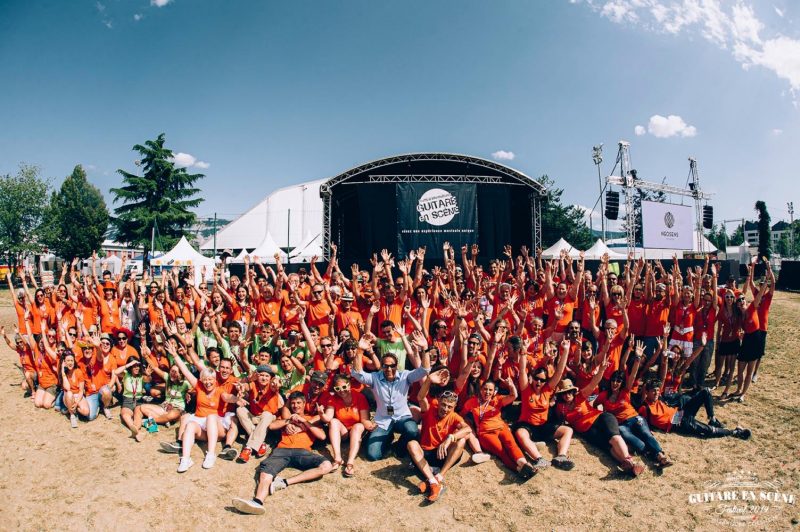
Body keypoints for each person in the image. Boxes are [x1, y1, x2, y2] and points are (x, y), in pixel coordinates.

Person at [231, 392, 333, 515]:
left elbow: (322, 436)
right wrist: (288, 421)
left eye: (299, 403)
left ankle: (284, 482)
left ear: (304, 403)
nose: (295, 406)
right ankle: (257, 502)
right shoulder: (286, 419)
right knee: (265, 473)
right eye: (293, 403)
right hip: (282, 451)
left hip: (303, 452)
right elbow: (272, 426)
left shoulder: (311, 419)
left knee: (327, 466)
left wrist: (304, 422)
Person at [555, 364, 645, 477]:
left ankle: (630, 461)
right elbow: (559, 420)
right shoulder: (560, 407)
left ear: (573, 391)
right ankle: (631, 468)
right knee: (607, 447)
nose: (567, 395)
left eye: (569, 392)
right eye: (564, 393)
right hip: (587, 431)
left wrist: (601, 370)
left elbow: (593, 384)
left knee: (614, 437)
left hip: (600, 418)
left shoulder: (580, 396)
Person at [350, 334, 430, 461]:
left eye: (392, 365)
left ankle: (398, 447)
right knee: (373, 456)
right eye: (385, 366)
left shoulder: (405, 376)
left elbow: (424, 370)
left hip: (402, 417)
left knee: (412, 430)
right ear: (381, 366)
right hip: (383, 420)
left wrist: (425, 348)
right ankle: (388, 437)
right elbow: (357, 373)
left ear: (396, 366)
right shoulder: (375, 377)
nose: (388, 369)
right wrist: (360, 350)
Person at [594, 341, 672, 468]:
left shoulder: (625, 391)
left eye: (618, 381)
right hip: (621, 424)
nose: (615, 383)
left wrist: (637, 358)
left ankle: (660, 455)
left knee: (646, 434)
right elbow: (595, 406)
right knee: (628, 436)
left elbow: (633, 375)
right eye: (613, 380)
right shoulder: (604, 395)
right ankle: (651, 454)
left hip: (634, 418)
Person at [171, 349, 245, 472]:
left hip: (217, 428)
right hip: (201, 427)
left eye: (210, 379)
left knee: (211, 417)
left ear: (215, 380)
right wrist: (175, 355)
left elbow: (227, 397)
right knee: (189, 425)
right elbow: (185, 370)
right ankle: (186, 459)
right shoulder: (199, 386)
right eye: (205, 379)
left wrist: (236, 399)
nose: (208, 382)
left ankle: (210, 454)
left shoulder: (220, 389)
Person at [408, 373, 472, 503]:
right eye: (443, 405)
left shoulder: (454, 417)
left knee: (462, 440)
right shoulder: (430, 409)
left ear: (454, 407)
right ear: (439, 402)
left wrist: (451, 437)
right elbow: (420, 397)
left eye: (449, 407)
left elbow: (468, 429)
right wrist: (429, 380)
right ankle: (433, 482)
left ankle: (439, 477)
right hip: (425, 454)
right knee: (411, 444)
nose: (445, 409)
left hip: (441, 454)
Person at [513, 339, 575, 471]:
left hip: (543, 426)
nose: (539, 382)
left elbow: (559, 372)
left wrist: (565, 351)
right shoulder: (526, 389)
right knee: (520, 433)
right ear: (533, 378)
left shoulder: (547, 389)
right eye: (536, 379)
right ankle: (539, 459)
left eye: (542, 380)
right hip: (527, 425)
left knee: (568, 430)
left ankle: (561, 457)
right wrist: (523, 352)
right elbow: (522, 370)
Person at [462, 378, 538, 479]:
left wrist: (511, 386)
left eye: (490, 390)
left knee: (512, 445)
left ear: (494, 391)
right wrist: (467, 424)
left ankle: (525, 464)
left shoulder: (497, 399)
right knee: (502, 452)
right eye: (485, 389)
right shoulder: (472, 402)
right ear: (481, 390)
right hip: (485, 433)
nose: (487, 392)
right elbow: (462, 414)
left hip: (501, 428)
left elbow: (513, 396)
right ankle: (519, 469)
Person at [639, 379, 751, 440]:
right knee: (707, 431)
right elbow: (642, 424)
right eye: (653, 391)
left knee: (705, 391)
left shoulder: (659, 399)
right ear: (647, 392)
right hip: (678, 423)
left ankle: (712, 418)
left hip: (681, 412)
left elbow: (662, 378)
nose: (656, 393)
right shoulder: (645, 408)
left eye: (658, 391)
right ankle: (735, 432)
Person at [321, 373, 372, 477]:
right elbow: (328, 418)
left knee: (358, 426)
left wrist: (371, 426)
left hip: (357, 431)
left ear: (349, 385)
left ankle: (350, 463)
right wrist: (321, 414)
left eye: (344, 387)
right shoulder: (333, 398)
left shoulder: (359, 397)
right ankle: (337, 458)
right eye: (337, 388)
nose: (341, 390)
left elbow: (364, 420)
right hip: (343, 432)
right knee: (333, 422)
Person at [236, 365, 283, 464]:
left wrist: (276, 383)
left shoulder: (271, 386)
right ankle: (261, 442)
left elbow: (276, 386)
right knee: (240, 410)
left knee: (267, 415)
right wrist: (241, 387)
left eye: (267, 376)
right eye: (261, 375)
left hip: (268, 417)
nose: (264, 378)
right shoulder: (254, 384)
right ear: (257, 376)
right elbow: (246, 386)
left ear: (270, 378)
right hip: (254, 416)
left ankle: (248, 448)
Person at [60, 351, 89, 427]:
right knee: (69, 393)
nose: (70, 363)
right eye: (68, 361)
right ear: (64, 362)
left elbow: (81, 390)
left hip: (78, 395)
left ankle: (73, 409)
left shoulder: (78, 372)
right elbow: (67, 388)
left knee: (86, 412)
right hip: (68, 396)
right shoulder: (64, 373)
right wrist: (63, 373)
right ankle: (72, 415)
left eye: (72, 361)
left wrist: (76, 403)